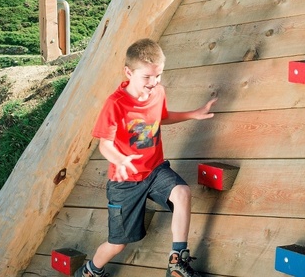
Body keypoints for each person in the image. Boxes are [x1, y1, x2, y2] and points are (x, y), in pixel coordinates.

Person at [78, 38, 217, 277]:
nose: (153, 82)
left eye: (158, 75)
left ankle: (177, 260)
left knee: (182, 193)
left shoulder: (158, 92)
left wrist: (193, 114)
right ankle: (91, 271)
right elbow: (105, 145)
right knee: (118, 244)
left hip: (154, 170)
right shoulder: (115, 104)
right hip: (125, 182)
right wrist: (120, 160)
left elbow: (160, 117)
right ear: (128, 72)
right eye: (147, 77)